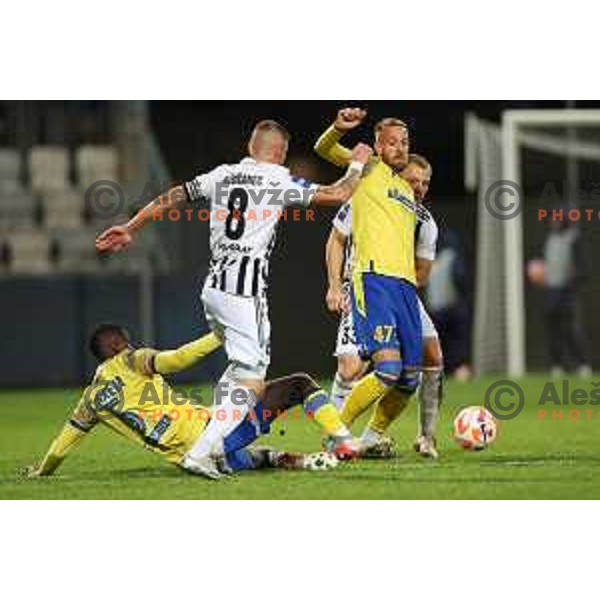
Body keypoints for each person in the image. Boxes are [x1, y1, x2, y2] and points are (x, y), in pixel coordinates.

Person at [96, 120, 372, 468]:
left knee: (237, 374)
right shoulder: (278, 179)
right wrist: (358, 162)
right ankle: (200, 453)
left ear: (251, 147)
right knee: (253, 382)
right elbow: (338, 193)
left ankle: (209, 445)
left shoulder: (223, 174)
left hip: (213, 291)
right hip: (245, 294)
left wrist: (131, 226)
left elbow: (172, 196)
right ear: (279, 153)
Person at [24, 324, 355, 480]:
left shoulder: (92, 398)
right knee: (299, 384)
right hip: (210, 435)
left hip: (188, 450)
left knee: (259, 456)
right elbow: (178, 359)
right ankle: (343, 442)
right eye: (127, 341)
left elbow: (62, 444)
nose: (132, 345)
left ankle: (305, 461)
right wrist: (219, 336)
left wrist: (42, 471)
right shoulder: (131, 360)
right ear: (117, 347)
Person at [324, 152, 443, 458]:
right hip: (366, 285)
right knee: (351, 367)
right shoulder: (367, 198)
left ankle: (424, 437)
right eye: (413, 180)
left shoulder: (425, 222)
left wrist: (397, 284)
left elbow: (423, 274)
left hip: (401, 291)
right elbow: (335, 239)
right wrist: (336, 285)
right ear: (398, 177)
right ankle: (335, 433)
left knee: (431, 356)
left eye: (425, 183)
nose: (419, 188)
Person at [314, 107, 422, 439]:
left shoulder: (406, 190)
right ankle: (338, 433)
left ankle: (372, 438)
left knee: (409, 378)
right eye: (392, 143)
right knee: (387, 368)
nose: (400, 148)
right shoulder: (369, 170)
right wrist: (337, 128)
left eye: (404, 142)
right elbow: (325, 149)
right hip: (373, 280)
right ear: (378, 147)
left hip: (406, 288)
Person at [528, 216, 591, 376]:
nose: (553, 222)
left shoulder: (574, 240)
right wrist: (539, 272)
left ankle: (582, 364)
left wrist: (571, 283)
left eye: (557, 219)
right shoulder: (550, 239)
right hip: (550, 290)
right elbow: (545, 264)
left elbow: (583, 269)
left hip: (566, 292)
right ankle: (557, 365)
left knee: (569, 328)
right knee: (551, 329)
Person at [426, 229, 472, 380]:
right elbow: (460, 279)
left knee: (441, 343)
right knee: (457, 341)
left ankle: (442, 371)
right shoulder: (453, 257)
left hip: (435, 310)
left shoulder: (431, 260)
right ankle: (460, 369)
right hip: (453, 308)